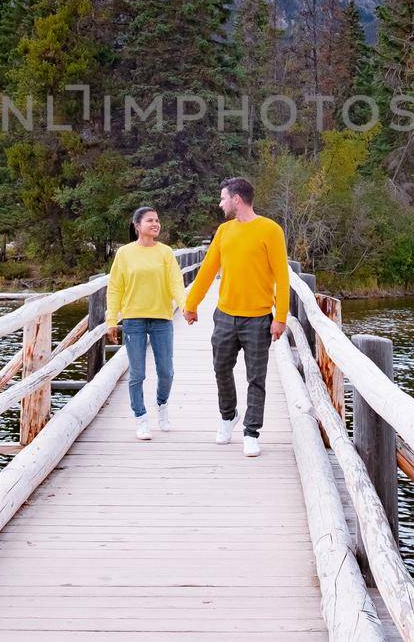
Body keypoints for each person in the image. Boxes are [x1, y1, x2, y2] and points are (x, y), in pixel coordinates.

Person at [182, 177, 290, 458]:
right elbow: (207, 271)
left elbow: (282, 275)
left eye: (223, 198)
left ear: (237, 199)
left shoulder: (270, 230)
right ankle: (228, 416)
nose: (220, 203)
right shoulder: (223, 231)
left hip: (258, 318)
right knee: (221, 368)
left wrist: (280, 317)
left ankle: (252, 432)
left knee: (256, 377)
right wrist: (191, 303)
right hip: (226, 316)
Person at [105, 206, 186, 441]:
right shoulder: (125, 254)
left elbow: (176, 283)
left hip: (162, 318)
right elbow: (115, 288)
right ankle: (141, 419)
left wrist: (185, 306)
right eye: (150, 220)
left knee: (166, 372)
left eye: (157, 220)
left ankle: (162, 404)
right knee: (137, 373)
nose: (155, 224)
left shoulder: (166, 252)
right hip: (133, 320)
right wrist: (112, 319)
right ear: (137, 226)